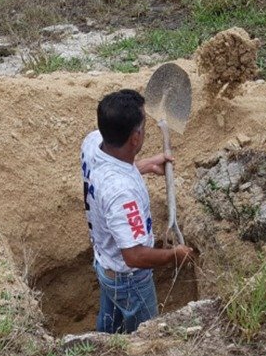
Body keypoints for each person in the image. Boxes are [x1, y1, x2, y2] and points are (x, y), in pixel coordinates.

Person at [80, 89, 194, 334]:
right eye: (143, 126)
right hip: (129, 279)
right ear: (134, 138)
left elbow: (107, 174)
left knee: (109, 324)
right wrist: (175, 254)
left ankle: (101, 348)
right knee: (144, 334)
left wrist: (144, 165)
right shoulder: (122, 193)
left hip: (104, 263)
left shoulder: (93, 143)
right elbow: (135, 256)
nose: (145, 130)